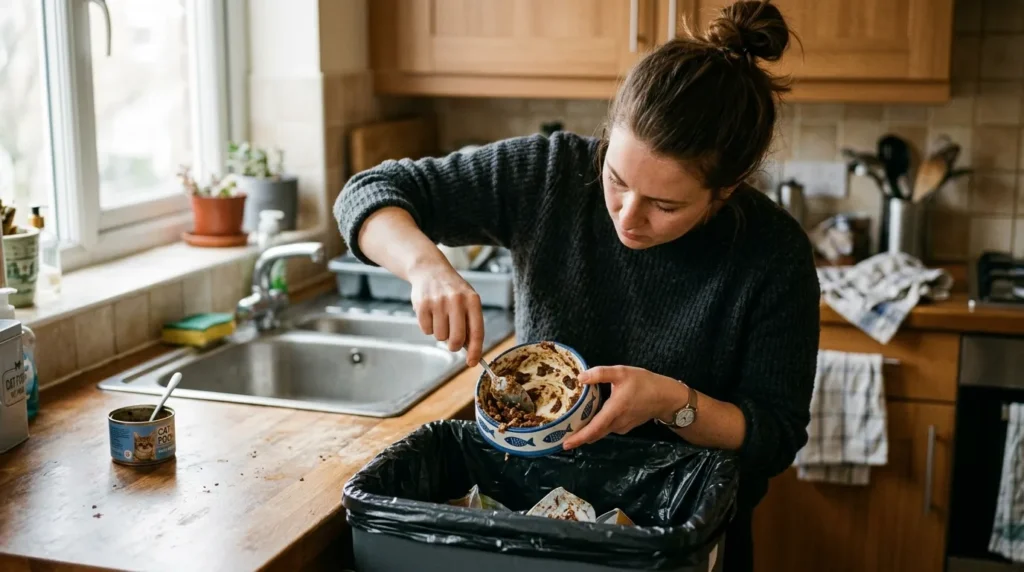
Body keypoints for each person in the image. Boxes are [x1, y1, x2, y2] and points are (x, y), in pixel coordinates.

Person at [334, 1, 819, 570]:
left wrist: (674, 404)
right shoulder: (550, 174)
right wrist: (426, 266)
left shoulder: (773, 254)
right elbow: (369, 192)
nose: (627, 217)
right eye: (616, 179)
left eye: (665, 205)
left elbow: (774, 435)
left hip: (674, 548)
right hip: (536, 527)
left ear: (727, 190)